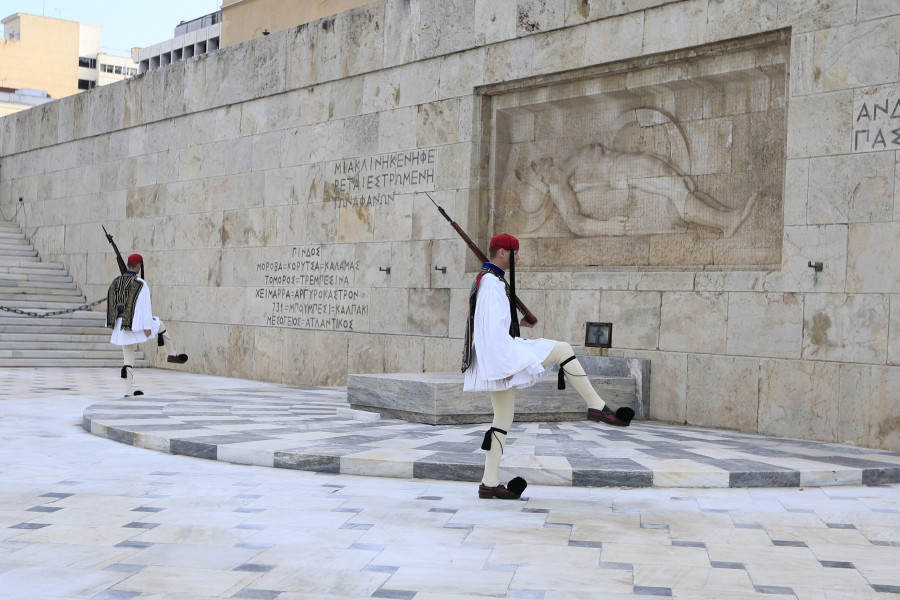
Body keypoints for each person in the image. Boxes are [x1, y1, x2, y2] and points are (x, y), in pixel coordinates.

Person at [463, 233, 634, 500]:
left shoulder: (489, 281)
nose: (519, 258)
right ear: (502, 253)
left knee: (502, 419)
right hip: (501, 359)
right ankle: (597, 407)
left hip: (499, 358)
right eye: (515, 253)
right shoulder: (492, 285)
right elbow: (490, 334)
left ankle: (489, 482)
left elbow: (491, 326)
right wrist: (503, 367)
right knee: (562, 349)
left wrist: (519, 324)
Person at [106, 254, 187, 397]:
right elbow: (146, 307)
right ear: (138, 266)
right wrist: (148, 327)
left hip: (120, 325)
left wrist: (112, 324)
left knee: (128, 358)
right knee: (160, 324)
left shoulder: (116, 281)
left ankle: (128, 393)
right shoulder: (140, 283)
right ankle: (172, 354)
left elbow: (111, 303)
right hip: (136, 325)